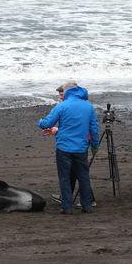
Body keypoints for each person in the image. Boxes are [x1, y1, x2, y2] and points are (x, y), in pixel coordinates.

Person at [39, 81, 99, 214]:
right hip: (81, 148)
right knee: (83, 176)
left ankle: (67, 207)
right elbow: (94, 128)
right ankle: (87, 205)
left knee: (65, 178)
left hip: (64, 148)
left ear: (67, 92)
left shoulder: (62, 106)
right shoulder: (88, 107)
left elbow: (47, 123)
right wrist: (95, 145)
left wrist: (40, 122)